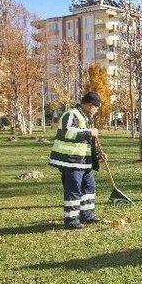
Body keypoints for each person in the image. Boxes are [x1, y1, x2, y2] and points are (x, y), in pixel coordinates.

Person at [49, 91, 107, 229]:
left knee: (90, 187)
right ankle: (71, 220)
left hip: (83, 162)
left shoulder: (86, 118)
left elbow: (88, 143)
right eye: (96, 107)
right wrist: (89, 132)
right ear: (88, 105)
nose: (96, 110)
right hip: (70, 161)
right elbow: (67, 132)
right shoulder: (71, 114)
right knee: (74, 189)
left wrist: (99, 154)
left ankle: (87, 215)